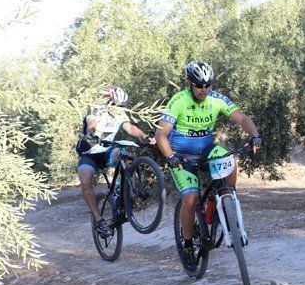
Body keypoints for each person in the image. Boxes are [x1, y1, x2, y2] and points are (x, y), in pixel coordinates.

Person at [155, 61, 262, 268]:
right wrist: (170, 156)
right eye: (199, 85)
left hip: (206, 150)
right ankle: (187, 243)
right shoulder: (178, 101)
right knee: (191, 198)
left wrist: (255, 135)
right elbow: (161, 134)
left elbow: (242, 118)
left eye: (207, 85)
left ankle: (227, 198)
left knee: (229, 158)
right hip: (182, 156)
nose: (204, 89)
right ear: (190, 84)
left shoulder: (217, 99)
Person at [76, 85, 155, 238]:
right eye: (117, 106)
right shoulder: (96, 110)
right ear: (108, 102)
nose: (119, 109)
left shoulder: (119, 114)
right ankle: (99, 220)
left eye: (122, 107)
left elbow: (131, 128)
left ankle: (123, 192)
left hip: (106, 151)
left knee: (125, 155)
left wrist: (145, 137)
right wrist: (91, 136)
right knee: (85, 183)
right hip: (89, 154)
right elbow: (91, 125)